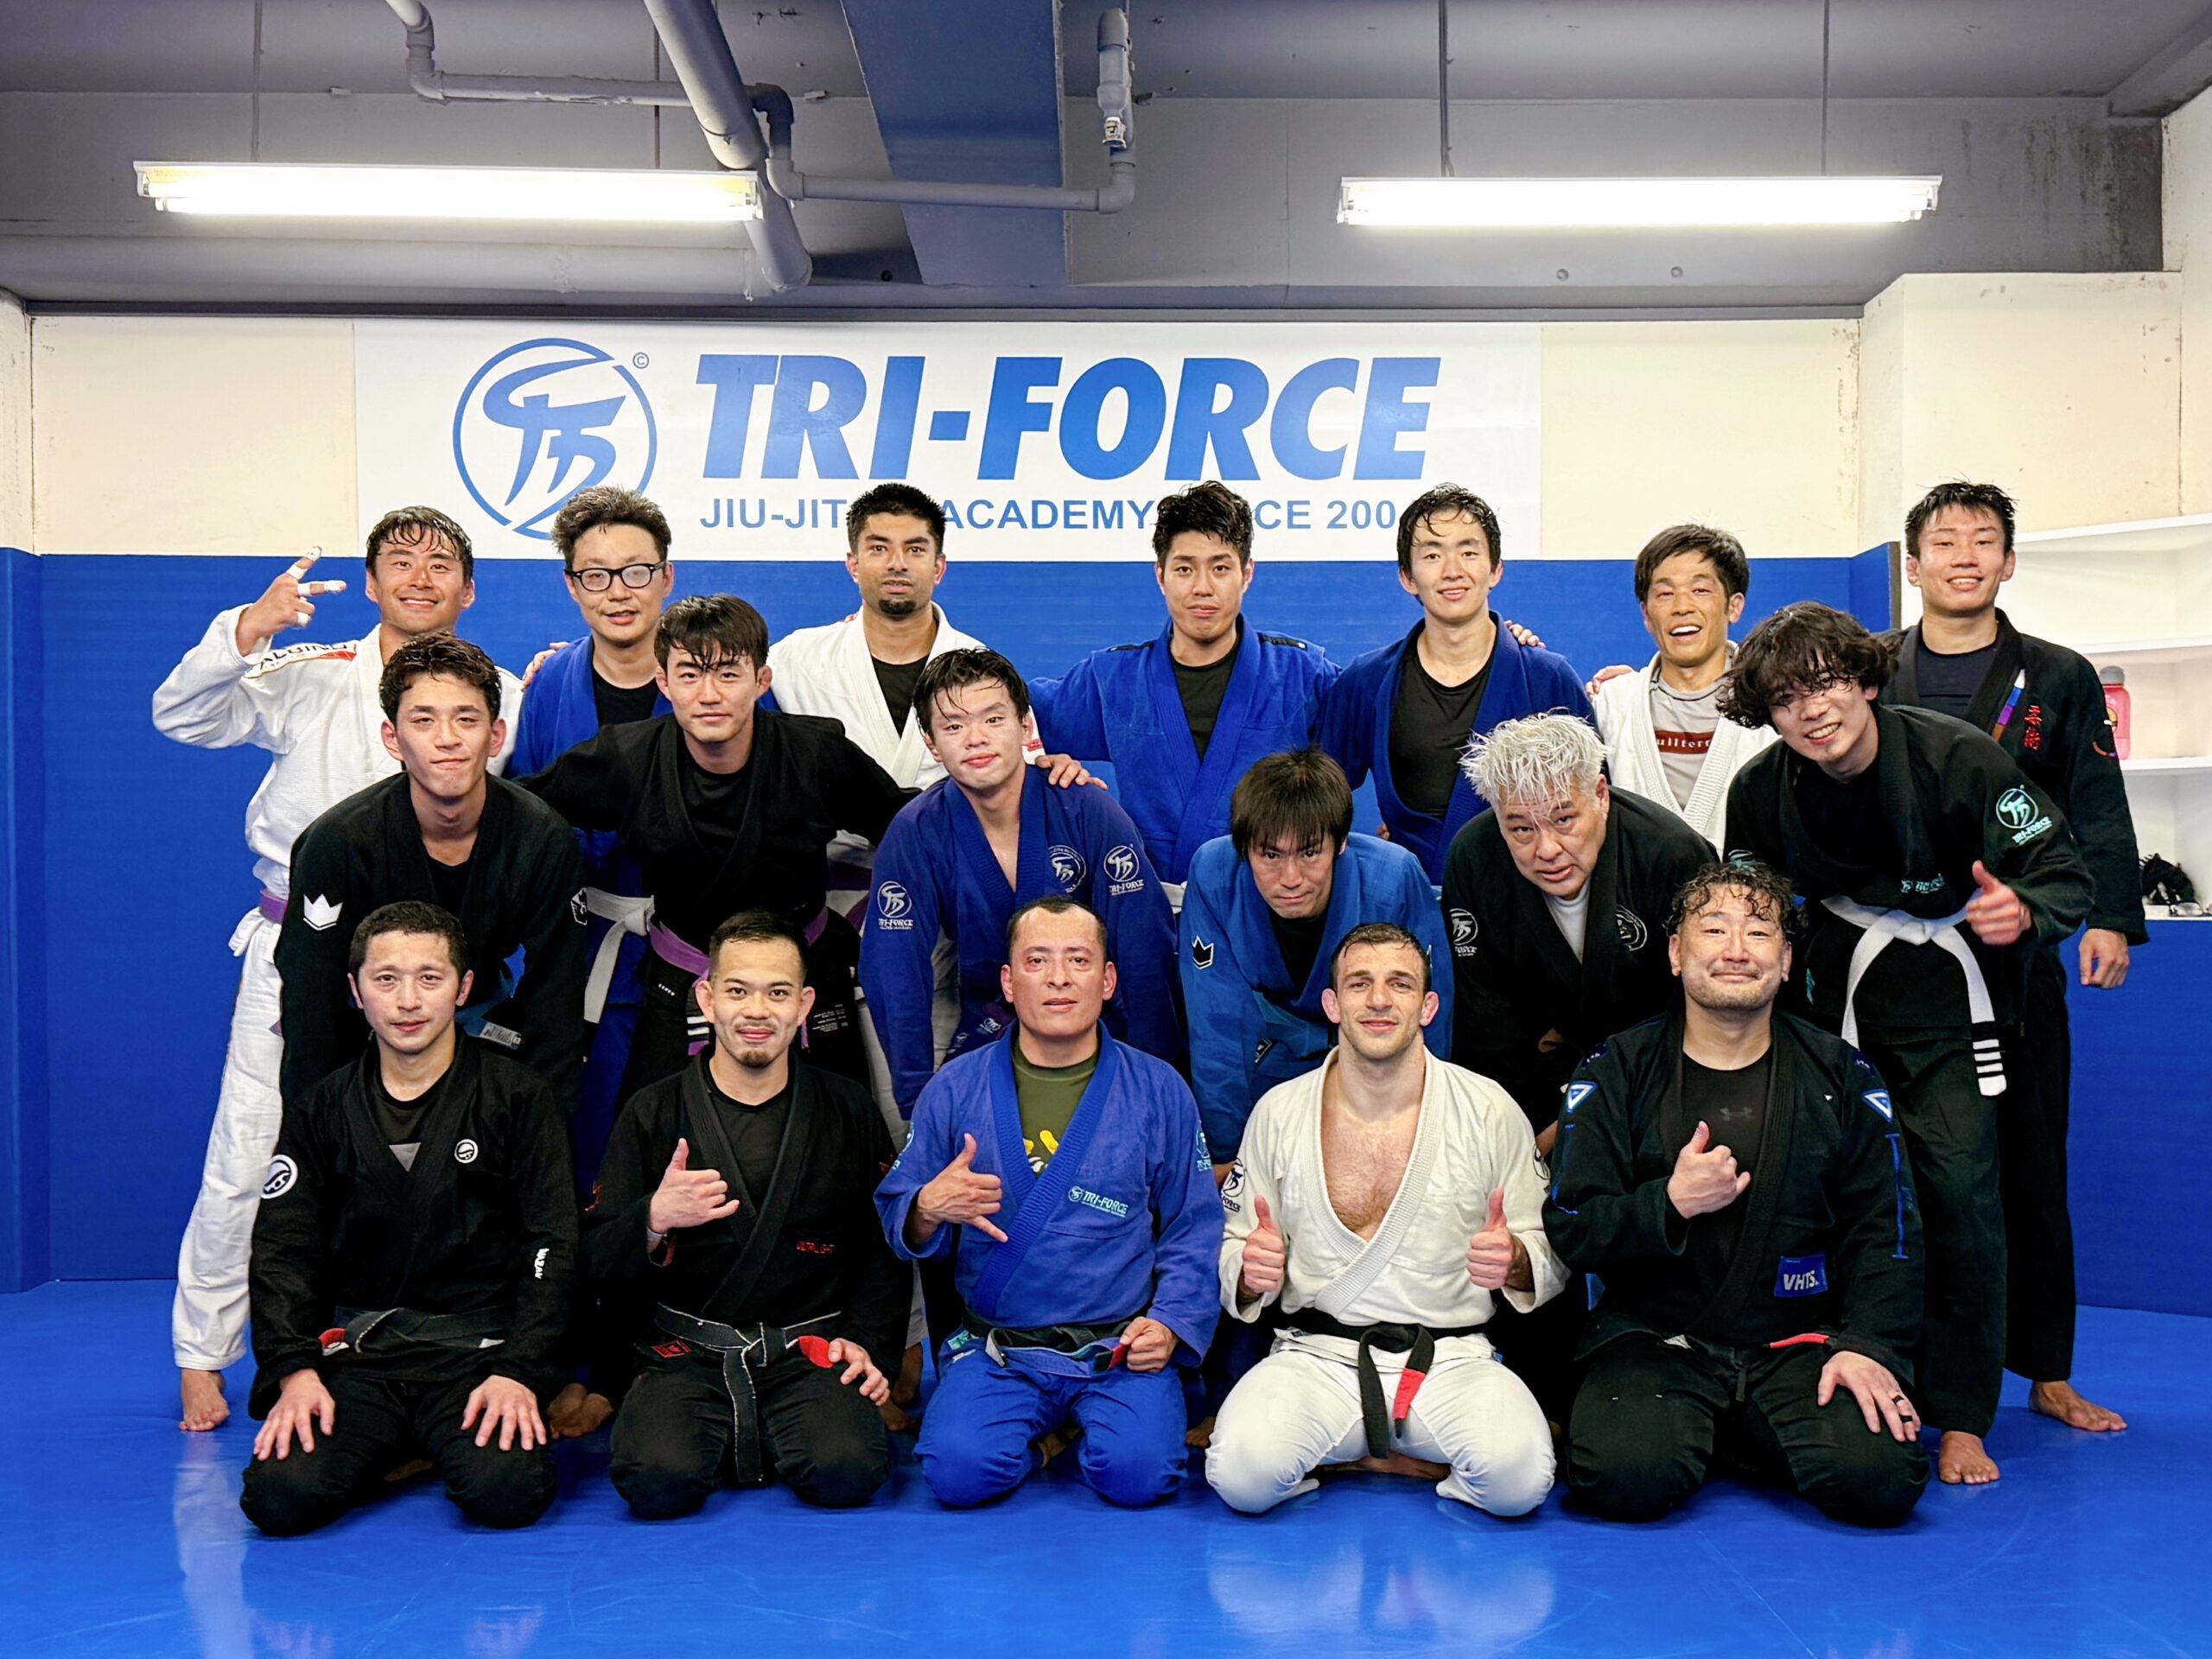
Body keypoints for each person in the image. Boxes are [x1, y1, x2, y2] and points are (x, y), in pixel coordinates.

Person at [154, 506, 518, 1433]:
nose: (420, 577)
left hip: (430, 969)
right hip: (301, 948)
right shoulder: (313, 671)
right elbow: (182, 714)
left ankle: (405, 1346)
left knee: (434, 1159)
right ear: (369, 584)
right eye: (401, 561)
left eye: (441, 564)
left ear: (470, 590)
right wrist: (251, 628)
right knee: (253, 1146)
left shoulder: (501, 694)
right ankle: (204, 1351)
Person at [1720, 601, 2093, 1486]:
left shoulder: (1958, 757)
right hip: (1831, 1002)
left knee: (1960, 1194)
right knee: (1829, 1194)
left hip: (1951, 1007)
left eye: (1825, 684)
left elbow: (2061, 868)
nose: (1811, 710)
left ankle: (1962, 1414)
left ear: (1865, 679)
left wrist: (2024, 909)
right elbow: (1745, 906)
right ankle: (1837, 1370)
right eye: (1785, 699)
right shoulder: (1760, 790)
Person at [1547, 861, 1929, 1526]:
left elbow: (1887, 1228)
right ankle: (1718, 1428)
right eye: (1714, 929)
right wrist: (1669, 1203)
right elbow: (1574, 1225)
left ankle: (1731, 1429)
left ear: (1785, 962)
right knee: (1622, 1477)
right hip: (1658, 1340)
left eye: (1758, 933)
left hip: (1797, 1342)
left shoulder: (1843, 1075)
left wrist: (1869, 1346)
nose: (1735, 949)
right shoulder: (1616, 1071)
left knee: (1881, 1480)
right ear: (1675, 953)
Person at [1880, 480, 2144, 1436]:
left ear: (2009, 561)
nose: (1964, 556)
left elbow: (2094, 801)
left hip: (2018, 948)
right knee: (1906, 1168)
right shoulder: (1871, 669)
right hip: (1900, 958)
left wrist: (2107, 916)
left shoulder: (2059, 677)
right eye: (1944, 542)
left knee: (2030, 1160)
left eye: (1983, 541)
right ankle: (1900, 1356)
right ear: (1912, 566)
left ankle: (2045, 1368)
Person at [239, 901, 577, 1536]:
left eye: (430, 977)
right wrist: (295, 1369)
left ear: (464, 988)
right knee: (279, 1500)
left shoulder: (519, 1098)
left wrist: (521, 1371)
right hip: (361, 1359)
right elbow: (284, 1248)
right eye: (386, 979)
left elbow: (551, 1243)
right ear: (355, 990)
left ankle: (416, 1449)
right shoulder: (322, 1108)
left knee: (507, 1492)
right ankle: (400, 1446)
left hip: (477, 1356)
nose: (408, 1001)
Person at [874, 897, 1222, 1508]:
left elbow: (1193, 1226)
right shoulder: (954, 1089)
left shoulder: (1159, 1089)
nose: (1058, 978)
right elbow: (898, 1209)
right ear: (1009, 983)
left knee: (1139, 1477)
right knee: (957, 1475)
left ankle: (1083, 1430)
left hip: (1117, 1351)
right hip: (1001, 1352)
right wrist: (928, 1205)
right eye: (1037, 961)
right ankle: (1053, 1444)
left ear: (1107, 980)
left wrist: (1169, 1324)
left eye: (1078, 960)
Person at [1206, 924, 1562, 1516]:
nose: (1378, 1000)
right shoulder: (1279, 1112)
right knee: (1240, 1475)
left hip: (1450, 1362)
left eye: (1399, 984)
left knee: (1518, 1482)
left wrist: (1516, 1261)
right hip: (1316, 1359)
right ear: (1331, 1004)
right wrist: (1248, 1272)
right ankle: (1376, 1459)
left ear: (1428, 1006)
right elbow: (1232, 1243)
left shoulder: (1489, 1109)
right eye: (1359, 984)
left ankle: (1353, 1459)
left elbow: (1548, 1246)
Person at [518, 595, 910, 1098]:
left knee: (843, 1124)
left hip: (805, 977)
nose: (708, 695)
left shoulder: (815, 755)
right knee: (655, 1128)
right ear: (663, 683)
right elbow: (514, 811)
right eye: (689, 675)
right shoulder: (627, 760)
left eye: (728, 674)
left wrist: (1003, 791)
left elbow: (907, 823)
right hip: (684, 978)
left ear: (761, 681)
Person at [586, 912, 906, 1518]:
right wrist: (652, 1219)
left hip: (810, 1354)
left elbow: (879, 1252)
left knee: (847, 1471)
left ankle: (767, 1431)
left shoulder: (848, 1109)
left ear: (805, 1005)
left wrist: (869, 1348)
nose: (757, 1011)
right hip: (686, 1358)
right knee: (656, 1482)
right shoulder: (652, 1111)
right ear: (707, 999)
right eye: (738, 991)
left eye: (778, 993)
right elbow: (596, 1258)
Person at [1440, 712, 1710, 1420]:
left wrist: (1585, 1118)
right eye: (1521, 828)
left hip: (1654, 1086)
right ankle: (1544, 1398)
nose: (1547, 849)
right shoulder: (1474, 858)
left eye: (1564, 819)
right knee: (1517, 1194)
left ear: (1601, 794)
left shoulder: (1672, 855)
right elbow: (1488, 1024)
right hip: (1532, 1087)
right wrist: (1526, 1136)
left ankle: (1662, 1363)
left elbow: (1692, 1017)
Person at [861, 650, 1182, 1122]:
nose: (975, 738)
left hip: (1099, 1026)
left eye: (993, 719)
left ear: (1025, 725)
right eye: (953, 726)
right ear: (931, 744)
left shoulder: (1086, 810)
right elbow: (894, 969)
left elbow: (1144, 950)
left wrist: (1155, 1077)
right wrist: (917, 1100)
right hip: (988, 1029)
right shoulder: (916, 833)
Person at [276, 635, 588, 1112]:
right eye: (423, 720)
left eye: (466, 719)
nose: (447, 739)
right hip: (364, 1052)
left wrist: (539, 1131)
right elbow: (312, 1013)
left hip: (489, 1044)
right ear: (392, 738)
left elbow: (556, 1007)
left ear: (496, 736)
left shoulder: (542, 838)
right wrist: (320, 1134)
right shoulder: (337, 845)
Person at [1029, 481, 1339, 895]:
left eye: (1220, 568)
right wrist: (1038, 759)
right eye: (1184, 569)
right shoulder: (1113, 678)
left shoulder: (1301, 674)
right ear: (1160, 576)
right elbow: (1002, 713)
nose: (1202, 587)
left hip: (1266, 906)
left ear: (1247, 573)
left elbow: (1380, 721)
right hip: (1149, 908)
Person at [509, 485, 676, 1185]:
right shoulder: (549, 685)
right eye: (597, 575)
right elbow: (522, 818)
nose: (619, 592)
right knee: (576, 1143)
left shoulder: (719, 682)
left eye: (636, 571)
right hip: (577, 953)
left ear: (666, 577)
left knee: (680, 1146)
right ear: (572, 586)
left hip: (690, 955)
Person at [1180, 748, 1452, 1169]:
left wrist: (1425, 1138)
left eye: (1309, 853)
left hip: (1374, 1061)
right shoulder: (1214, 874)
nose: (1290, 879)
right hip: (1271, 1056)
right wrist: (1228, 1155)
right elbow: (1218, 1027)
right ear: (1244, 849)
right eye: (1270, 855)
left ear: (1340, 843)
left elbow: (1429, 1017)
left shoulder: (1394, 877)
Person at [1319, 484, 1592, 884]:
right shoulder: (1366, 681)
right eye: (1432, 555)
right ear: (1407, 577)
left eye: (1468, 552)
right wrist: (1370, 858)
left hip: (1525, 900)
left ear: (1495, 570)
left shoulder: (1547, 679)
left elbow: (1596, 803)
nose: (1452, 570)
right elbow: (1318, 799)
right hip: (1408, 898)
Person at [1588, 524, 1777, 849]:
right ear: (1646, 614)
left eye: (1700, 590)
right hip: (1640, 884)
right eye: (1665, 594)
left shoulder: (1771, 702)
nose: (1682, 607)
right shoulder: (1612, 702)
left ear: (1733, 606)